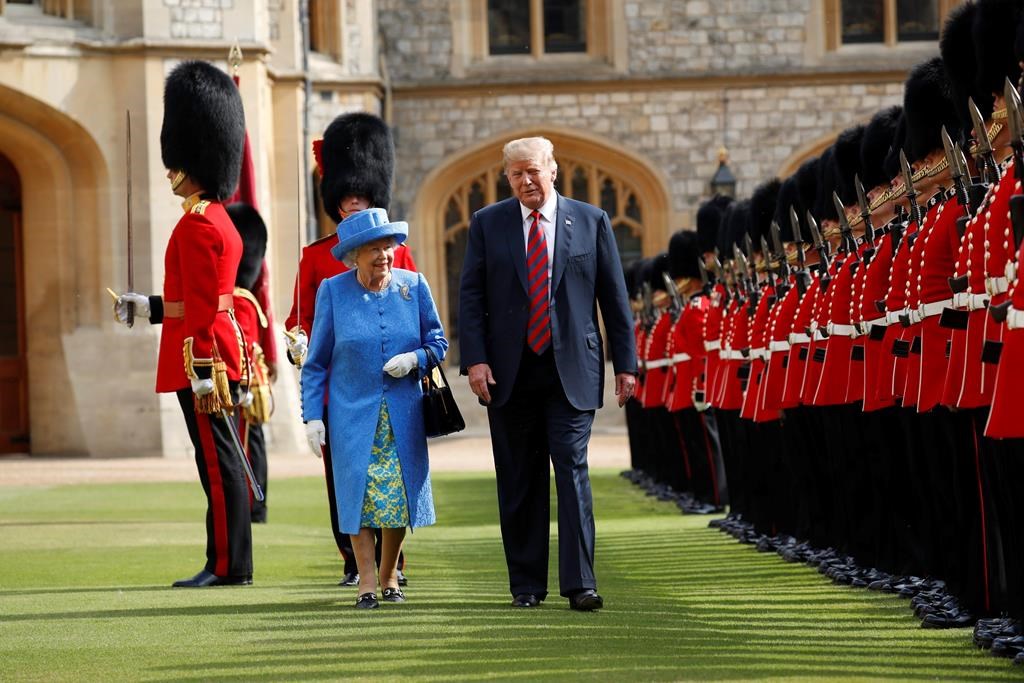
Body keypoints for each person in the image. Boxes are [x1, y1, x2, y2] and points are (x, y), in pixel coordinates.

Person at [459, 136, 637, 611]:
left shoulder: (593, 220)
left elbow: (613, 299)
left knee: (572, 470)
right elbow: (471, 297)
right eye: (516, 174)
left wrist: (626, 365)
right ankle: (526, 586)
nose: (526, 181)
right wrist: (475, 360)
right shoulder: (487, 223)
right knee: (519, 479)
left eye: (533, 171)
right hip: (509, 374)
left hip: (572, 371)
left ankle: (581, 584)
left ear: (553, 170)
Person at [113, 60, 251, 587]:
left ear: (193, 162)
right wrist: (145, 306)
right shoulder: (217, 220)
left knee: (217, 467)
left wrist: (199, 369)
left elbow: (198, 309)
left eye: (176, 164)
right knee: (219, 462)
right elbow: (191, 300)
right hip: (214, 350)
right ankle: (232, 562)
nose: (170, 171)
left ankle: (226, 566)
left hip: (204, 357)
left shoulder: (197, 226)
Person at [284, 112, 416, 587]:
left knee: (394, 472)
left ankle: (392, 564)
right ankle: (352, 560)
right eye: (343, 195)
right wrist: (297, 338)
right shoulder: (316, 255)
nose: (350, 200)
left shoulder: (395, 252)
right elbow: (299, 317)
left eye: (358, 192)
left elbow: (412, 306)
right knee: (345, 475)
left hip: (389, 380)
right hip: (340, 384)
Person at [301, 207, 447, 609]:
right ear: (354, 256)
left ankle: (389, 577)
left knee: (397, 498)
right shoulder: (333, 291)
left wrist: (415, 359)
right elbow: (315, 362)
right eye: (374, 249)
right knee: (358, 498)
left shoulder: (414, 286)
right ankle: (366, 582)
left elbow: (438, 342)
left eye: (389, 247)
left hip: (403, 411)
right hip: (351, 414)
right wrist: (313, 417)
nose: (385, 255)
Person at [227, 202, 273, 524]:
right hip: (245, 374)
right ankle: (253, 503)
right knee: (248, 439)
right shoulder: (243, 296)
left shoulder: (240, 299)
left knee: (247, 440)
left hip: (244, 377)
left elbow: (241, 340)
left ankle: (255, 503)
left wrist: (242, 383)